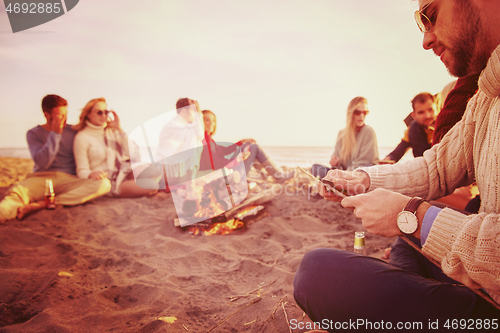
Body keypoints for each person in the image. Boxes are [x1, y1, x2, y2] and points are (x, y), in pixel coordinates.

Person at [294, 0, 500, 328]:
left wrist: (410, 217)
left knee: (317, 272)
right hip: (480, 272)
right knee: (400, 252)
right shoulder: (486, 96)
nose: (426, 39)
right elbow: (435, 168)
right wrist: (361, 180)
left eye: (429, 16)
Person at [0, 95, 111, 222]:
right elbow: (43, 163)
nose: (64, 119)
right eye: (59, 115)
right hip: (41, 178)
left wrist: (115, 127)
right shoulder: (34, 133)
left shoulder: (74, 131)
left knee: (103, 184)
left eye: (66, 114)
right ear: (47, 115)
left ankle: (44, 204)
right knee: (16, 194)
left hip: (69, 179)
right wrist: (55, 134)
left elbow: (96, 134)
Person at [73, 98, 159, 197]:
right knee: (152, 185)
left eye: (106, 112)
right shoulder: (82, 137)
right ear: (88, 114)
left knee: (155, 171)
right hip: (110, 181)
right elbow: (81, 170)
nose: (104, 116)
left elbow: (132, 153)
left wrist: (119, 128)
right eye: (99, 112)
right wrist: (90, 174)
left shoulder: (111, 132)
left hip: (124, 170)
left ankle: (145, 190)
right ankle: (135, 189)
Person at [200, 110, 294, 182]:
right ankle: (278, 176)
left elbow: (223, 150)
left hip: (227, 173)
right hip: (230, 177)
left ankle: (267, 175)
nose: (211, 123)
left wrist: (241, 142)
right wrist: (238, 158)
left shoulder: (208, 139)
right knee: (254, 148)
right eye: (207, 120)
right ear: (200, 121)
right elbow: (216, 164)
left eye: (213, 120)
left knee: (248, 145)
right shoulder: (204, 140)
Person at [311, 97, 379, 178]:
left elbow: (365, 162)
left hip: (358, 175)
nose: (361, 115)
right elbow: (337, 157)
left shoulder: (368, 131)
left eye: (365, 112)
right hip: (343, 174)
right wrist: (335, 162)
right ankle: (337, 183)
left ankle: (337, 183)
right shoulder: (342, 134)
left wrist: (344, 174)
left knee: (364, 168)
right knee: (315, 168)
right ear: (351, 113)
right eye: (357, 112)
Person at [154, 98, 205, 186]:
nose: (195, 117)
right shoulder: (174, 126)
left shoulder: (181, 126)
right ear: (184, 112)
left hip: (172, 172)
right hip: (167, 173)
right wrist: (199, 113)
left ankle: (189, 186)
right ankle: (189, 187)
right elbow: (200, 134)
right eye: (193, 112)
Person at [382, 92, 436, 162]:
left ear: (437, 108)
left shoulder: (447, 127)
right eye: (421, 112)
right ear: (413, 115)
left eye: (430, 110)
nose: (427, 116)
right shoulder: (412, 129)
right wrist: (388, 159)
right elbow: (397, 152)